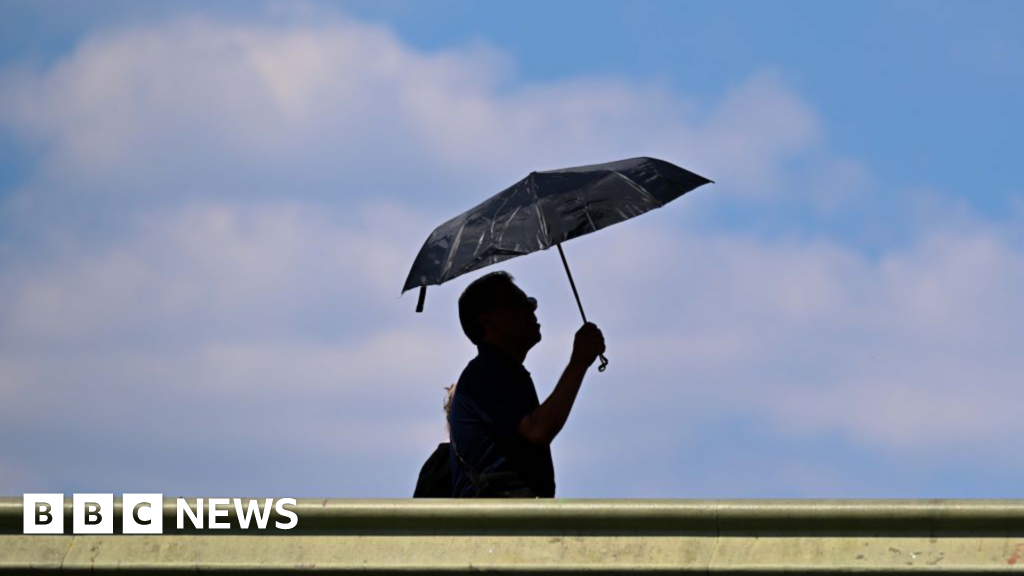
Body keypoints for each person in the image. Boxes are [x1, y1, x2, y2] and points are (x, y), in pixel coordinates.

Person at [447, 270, 605, 498]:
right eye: (518, 302)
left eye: (530, 301)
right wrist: (578, 363)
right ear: (486, 319)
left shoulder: (500, 371)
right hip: (499, 527)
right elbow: (537, 430)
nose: (532, 307)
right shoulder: (487, 371)